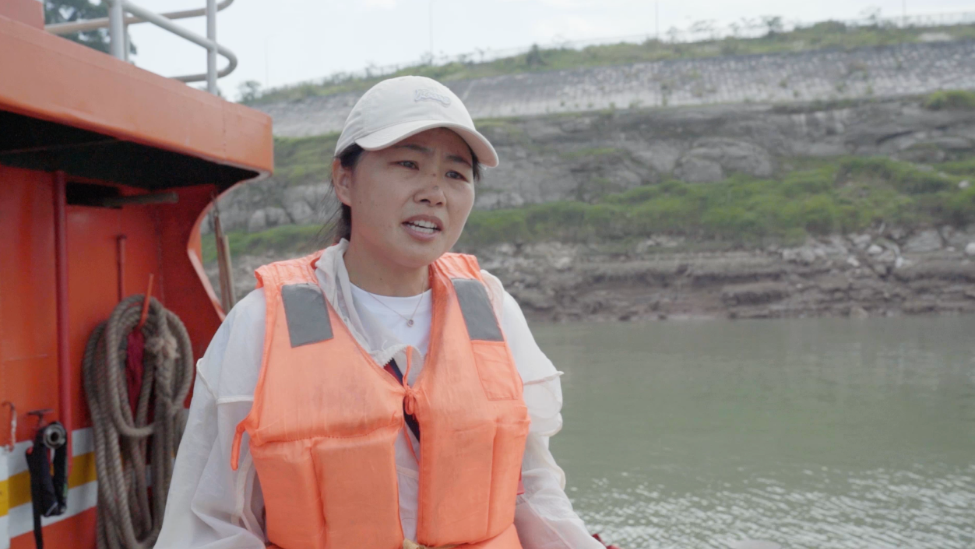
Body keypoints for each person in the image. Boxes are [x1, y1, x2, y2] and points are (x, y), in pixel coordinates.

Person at [155, 76, 606, 549]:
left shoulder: (491, 309)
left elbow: (532, 488)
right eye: (408, 164)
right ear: (344, 180)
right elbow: (206, 525)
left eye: (456, 174)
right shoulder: (262, 324)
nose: (435, 192)